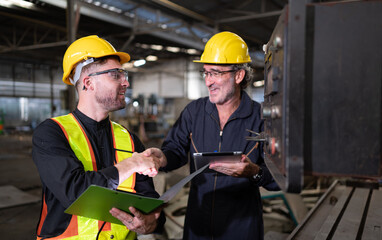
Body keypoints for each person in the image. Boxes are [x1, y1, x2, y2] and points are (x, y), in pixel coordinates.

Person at [145, 31, 280, 239]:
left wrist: (254, 171)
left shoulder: (260, 118)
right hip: (197, 227)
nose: (208, 81)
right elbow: (175, 151)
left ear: (238, 75)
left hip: (241, 229)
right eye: (206, 73)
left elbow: (279, 177)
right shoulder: (194, 112)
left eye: (216, 73)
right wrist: (162, 158)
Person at [32, 35, 165, 239]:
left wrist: (152, 221)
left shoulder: (129, 138)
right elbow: (75, 193)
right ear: (88, 83)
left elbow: (148, 199)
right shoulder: (52, 133)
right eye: (116, 75)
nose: (126, 82)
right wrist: (131, 164)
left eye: (124, 74)